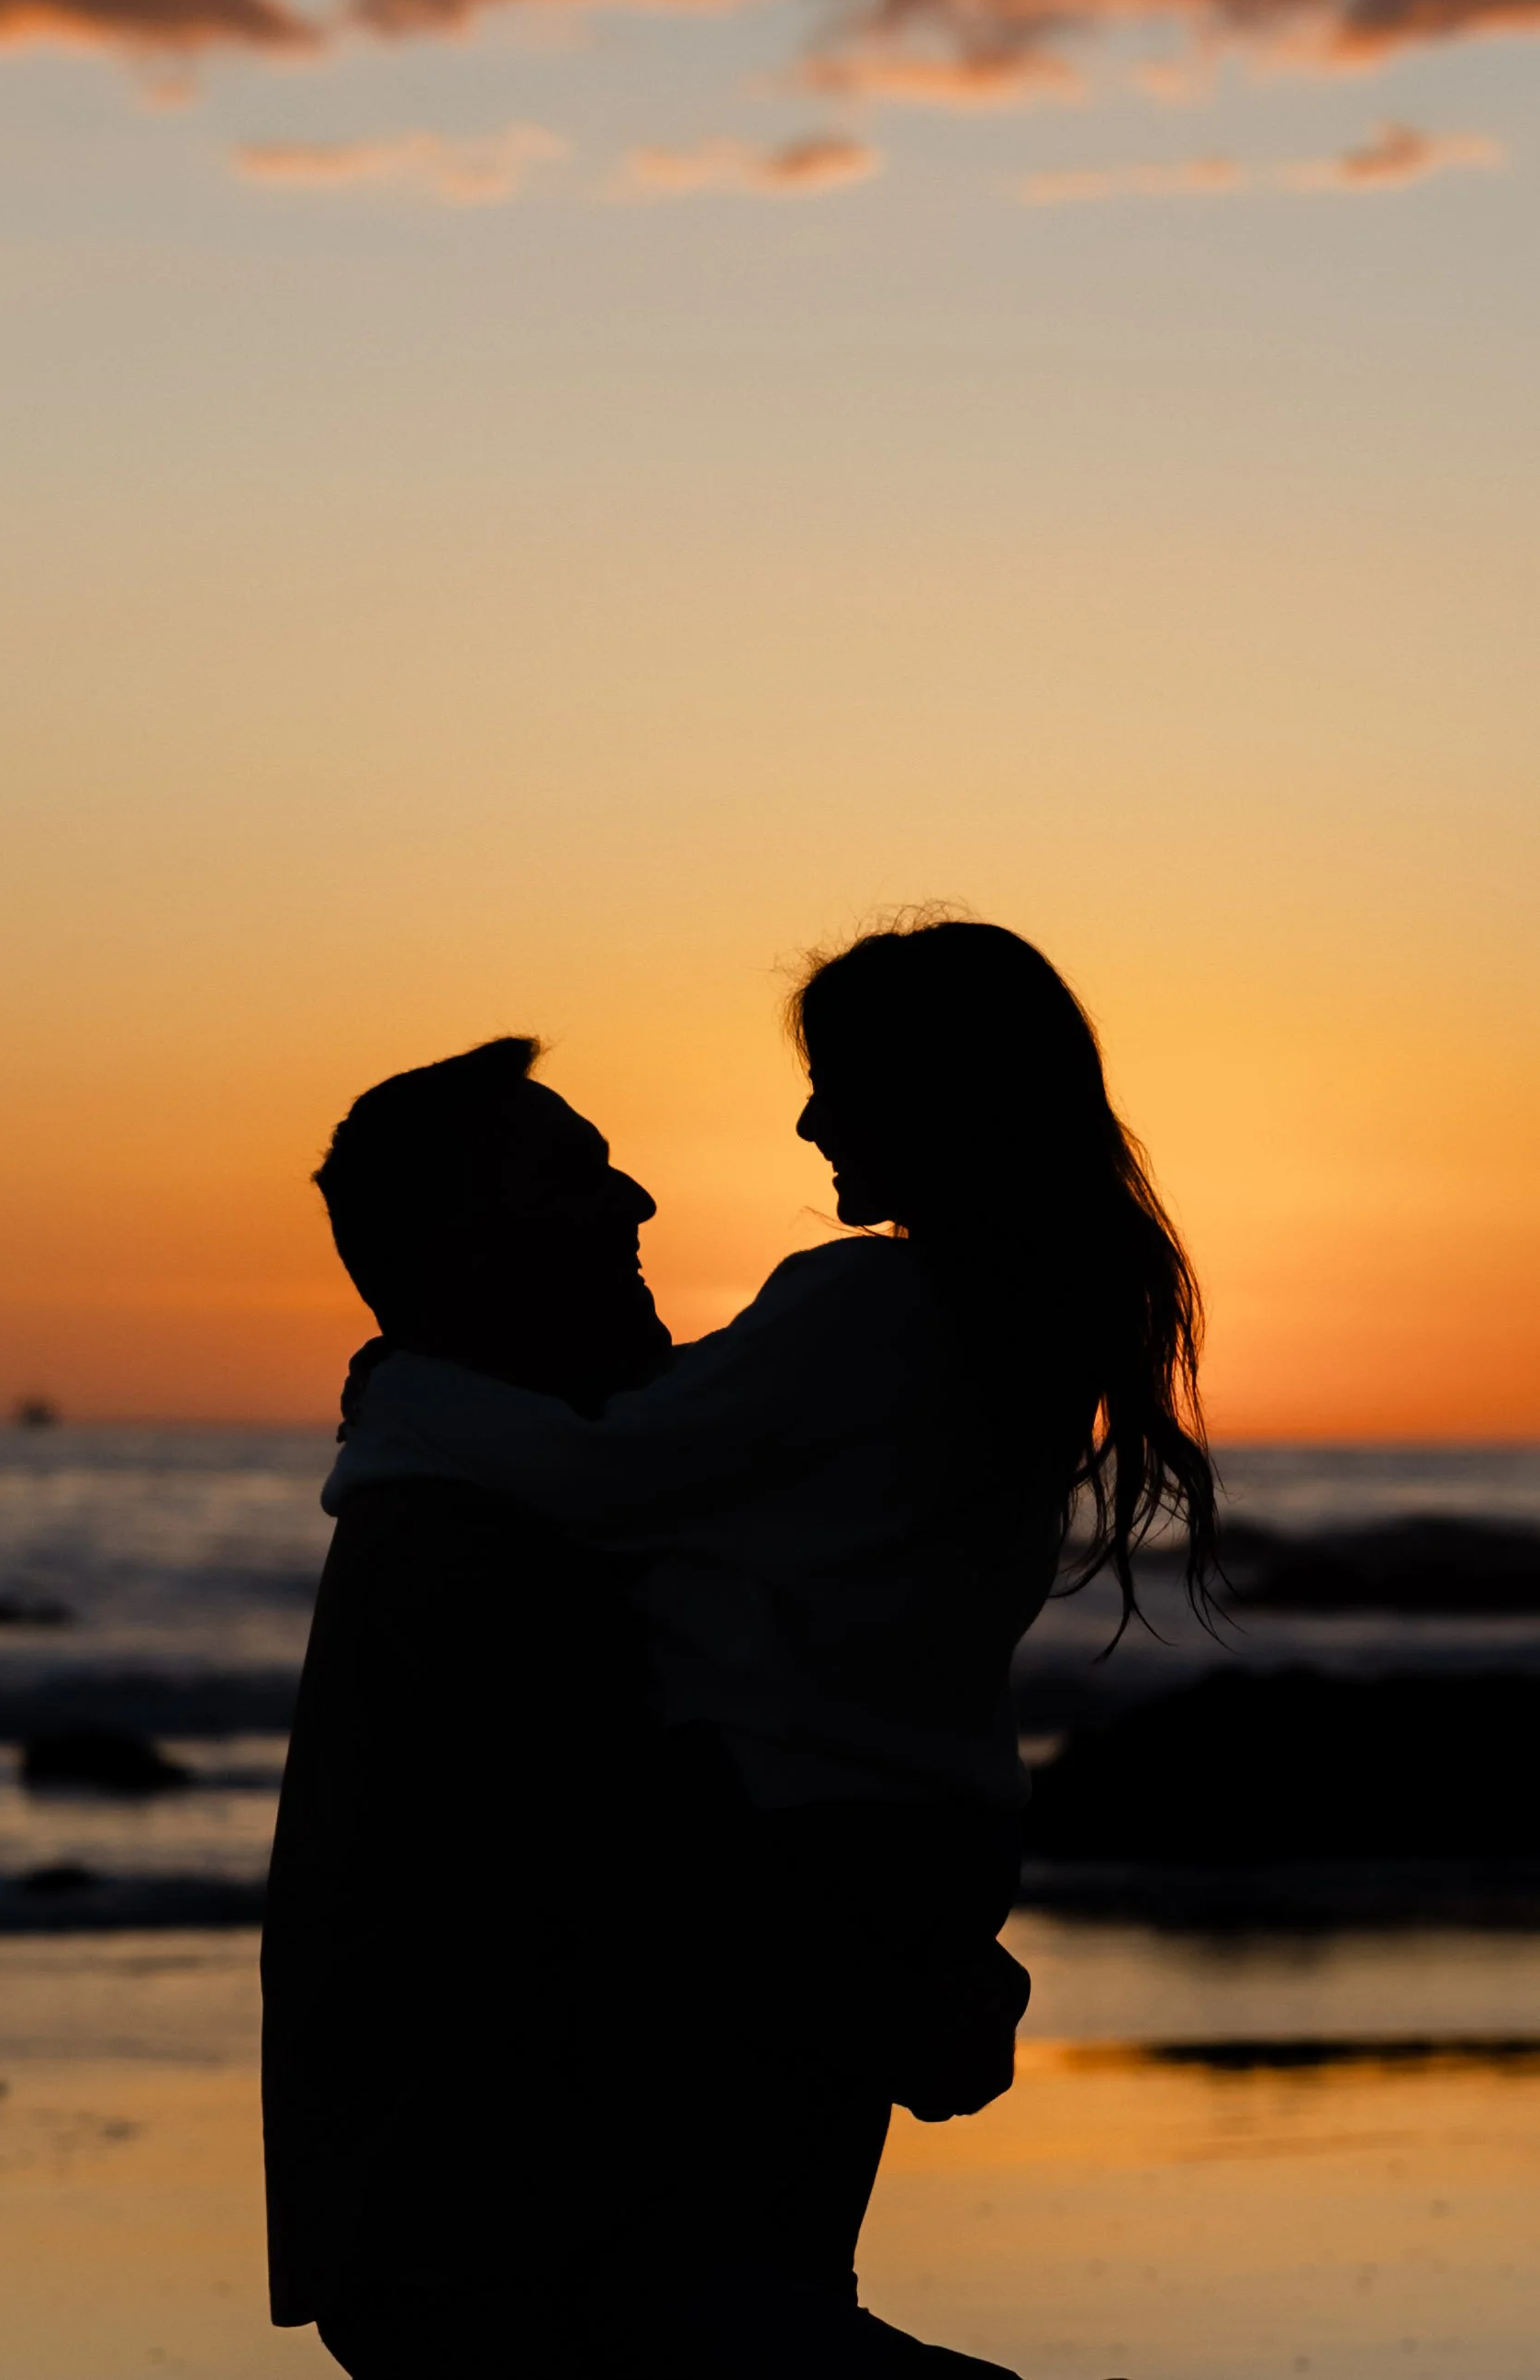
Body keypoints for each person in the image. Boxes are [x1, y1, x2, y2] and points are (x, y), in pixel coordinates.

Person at [329, 914, 1218, 2374]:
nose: (807, 1117)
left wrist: (401, 1400)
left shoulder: (868, 1301)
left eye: (837, 1080)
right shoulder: (1020, 1328)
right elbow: (731, 1477)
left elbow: (610, 1468)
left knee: (713, 2290)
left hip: (789, 1849)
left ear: (935, 1095)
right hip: (930, 1837)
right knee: (780, 2255)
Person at [262, 1035, 675, 2375]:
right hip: (513, 2262)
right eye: (578, 1180)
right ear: (468, 1248)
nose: (637, 1207)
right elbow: (633, 1888)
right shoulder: (474, 1540)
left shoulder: (508, 1480)